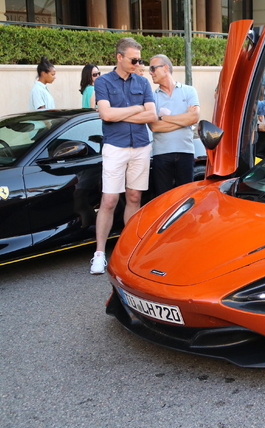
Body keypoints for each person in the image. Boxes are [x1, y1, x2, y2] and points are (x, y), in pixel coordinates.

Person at [90, 37, 157, 274]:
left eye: (139, 59)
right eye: (134, 59)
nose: (138, 63)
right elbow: (106, 115)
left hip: (140, 145)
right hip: (115, 147)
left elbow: (151, 115)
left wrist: (122, 114)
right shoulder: (104, 82)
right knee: (109, 200)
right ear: (119, 57)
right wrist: (136, 109)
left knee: (134, 198)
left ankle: (131, 250)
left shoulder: (143, 82)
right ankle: (99, 254)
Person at [148, 54, 200, 196]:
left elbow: (194, 117)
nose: (150, 73)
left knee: (185, 198)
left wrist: (164, 118)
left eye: (153, 68)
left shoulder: (189, 90)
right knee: (162, 199)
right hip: (161, 154)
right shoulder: (152, 96)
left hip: (186, 152)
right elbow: (154, 126)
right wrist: (184, 120)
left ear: (165, 68)